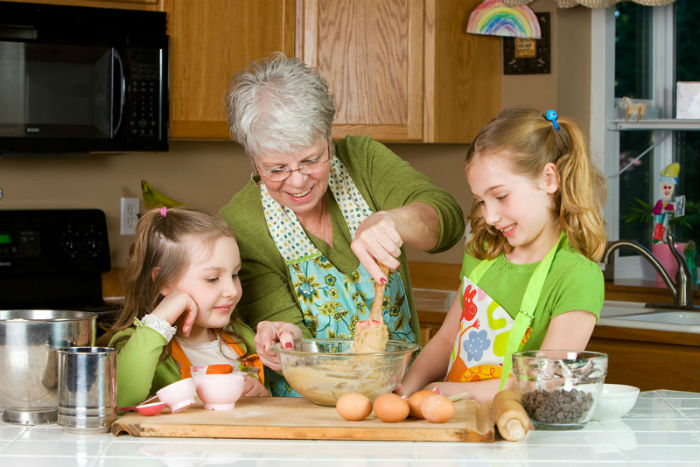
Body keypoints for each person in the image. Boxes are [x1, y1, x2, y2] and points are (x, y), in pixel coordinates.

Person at [220, 53, 465, 395]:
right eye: (276, 169)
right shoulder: (243, 223)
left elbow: (447, 221)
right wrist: (285, 338)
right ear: (253, 159)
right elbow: (294, 338)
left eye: (312, 159)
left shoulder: (363, 161)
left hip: (401, 390)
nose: (297, 181)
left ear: (327, 137)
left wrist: (393, 220)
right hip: (306, 401)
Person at [399, 107, 607, 403]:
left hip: (510, 432)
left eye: (500, 196)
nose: (491, 216)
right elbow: (445, 340)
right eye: (481, 201)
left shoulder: (577, 275)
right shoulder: (484, 253)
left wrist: (445, 392)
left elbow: (543, 385)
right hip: (450, 419)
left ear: (549, 179)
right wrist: (405, 390)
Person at [98, 207, 270, 409]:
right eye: (212, 279)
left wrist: (263, 396)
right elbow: (120, 399)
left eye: (235, 274)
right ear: (164, 282)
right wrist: (160, 318)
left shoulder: (241, 338)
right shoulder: (133, 344)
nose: (232, 290)